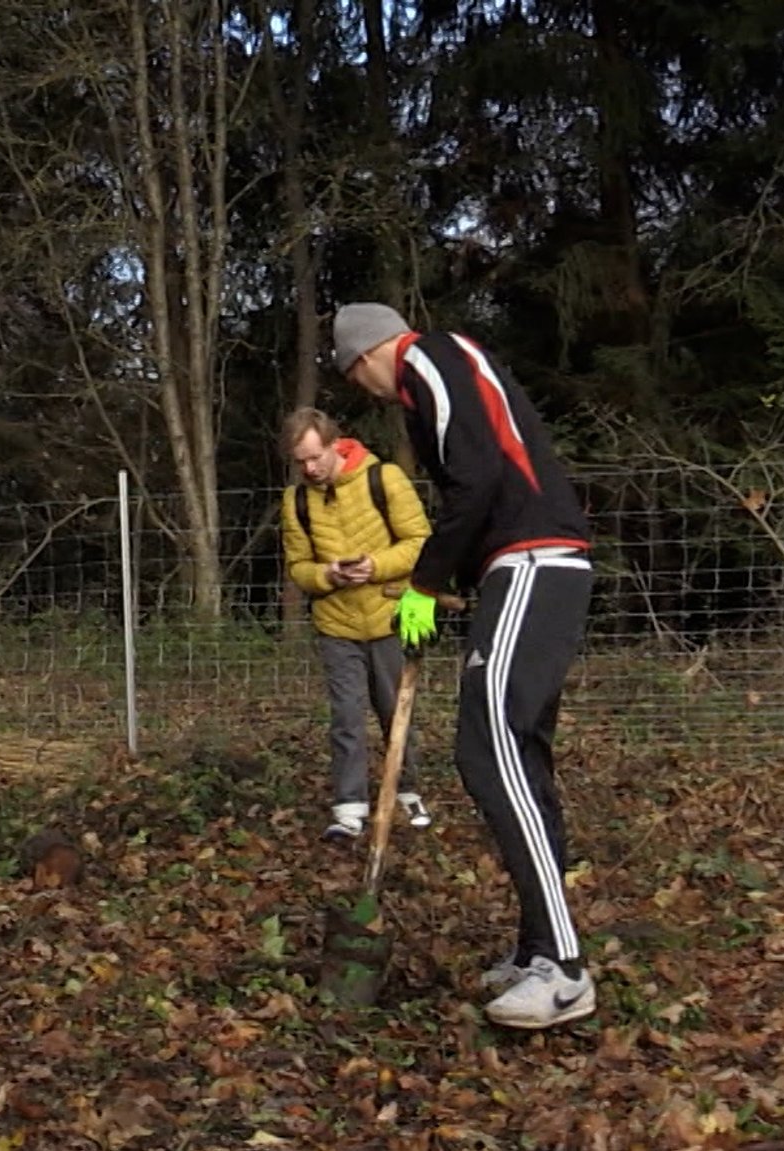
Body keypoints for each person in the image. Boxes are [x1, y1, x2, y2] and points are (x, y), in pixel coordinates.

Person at [333, 302, 595, 1031]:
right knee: (520, 758)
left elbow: (477, 481)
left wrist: (421, 581)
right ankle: (540, 946)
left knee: (489, 750)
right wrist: (448, 578)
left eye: (356, 374)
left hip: (534, 560)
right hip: (518, 566)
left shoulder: (430, 360)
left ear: (367, 356)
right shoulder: (435, 379)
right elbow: (471, 484)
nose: (366, 390)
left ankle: (567, 972)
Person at [279, 407, 433, 842]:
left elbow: (420, 542)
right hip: (336, 623)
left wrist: (375, 566)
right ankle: (349, 808)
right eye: (300, 462)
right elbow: (298, 566)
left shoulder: (384, 479)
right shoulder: (297, 502)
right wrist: (327, 575)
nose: (309, 468)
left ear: (334, 444)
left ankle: (406, 792)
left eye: (315, 458)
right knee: (346, 717)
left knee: (395, 711)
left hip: (390, 614)